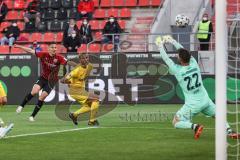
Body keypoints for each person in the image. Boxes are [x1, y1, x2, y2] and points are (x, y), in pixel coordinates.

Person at [155, 35, 240, 139]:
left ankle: (195, 126)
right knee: (218, 115)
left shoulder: (177, 70)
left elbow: (166, 59)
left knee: (176, 122)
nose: (177, 56)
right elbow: (184, 51)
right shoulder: (194, 63)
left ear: (181, 60)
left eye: (178, 56)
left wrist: (160, 45)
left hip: (193, 105)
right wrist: (173, 41)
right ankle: (229, 131)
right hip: (205, 100)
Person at [15, 44, 77, 121]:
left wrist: (78, 66)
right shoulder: (43, 54)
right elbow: (31, 51)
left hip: (51, 81)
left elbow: (69, 62)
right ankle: (21, 106)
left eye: (55, 48)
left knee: (42, 97)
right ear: (48, 49)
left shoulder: (59, 57)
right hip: (43, 78)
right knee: (34, 92)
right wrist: (20, 46)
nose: (54, 49)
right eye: (52, 47)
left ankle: (32, 116)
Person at [61, 53, 100, 126]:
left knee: (90, 106)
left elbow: (85, 75)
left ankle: (74, 115)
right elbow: (63, 80)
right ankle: (92, 121)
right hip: (75, 91)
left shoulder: (90, 66)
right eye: (84, 58)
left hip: (81, 90)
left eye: (87, 58)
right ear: (80, 60)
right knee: (96, 99)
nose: (86, 59)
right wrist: (67, 81)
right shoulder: (76, 70)